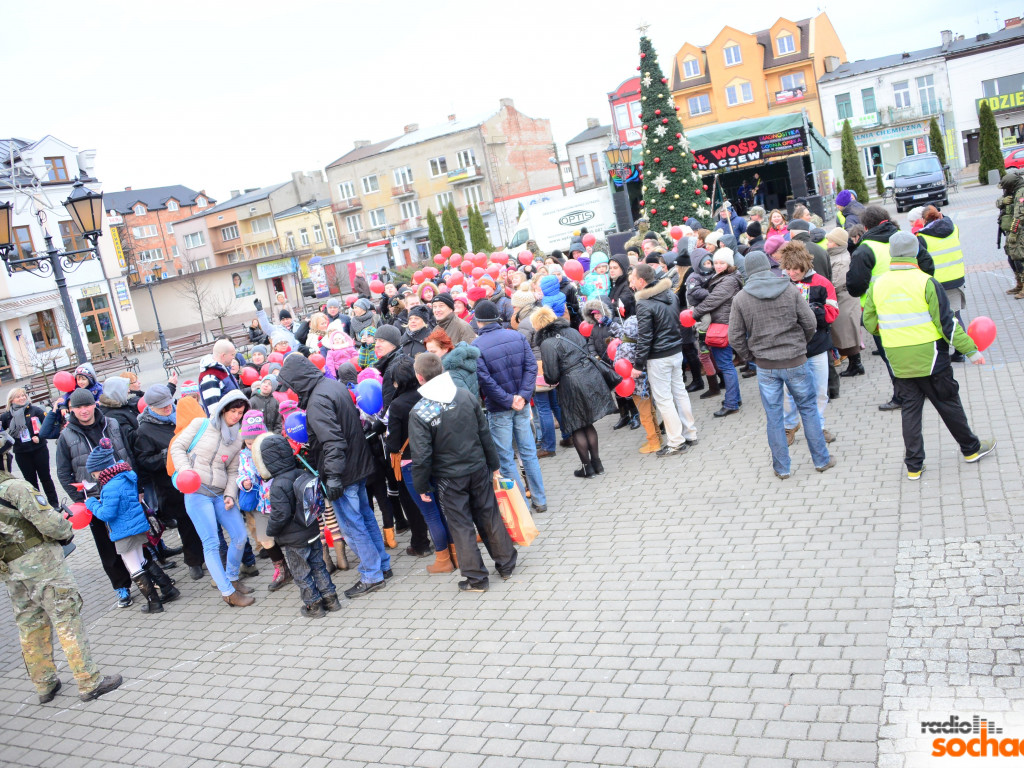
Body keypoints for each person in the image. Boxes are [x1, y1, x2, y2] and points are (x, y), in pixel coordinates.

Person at [862, 231, 995, 479]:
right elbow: (948, 324)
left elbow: (868, 323)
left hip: (898, 359)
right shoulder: (926, 282)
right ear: (915, 253)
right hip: (931, 357)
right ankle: (971, 449)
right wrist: (972, 351)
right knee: (948, 403)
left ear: (892, 253)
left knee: (910, 410)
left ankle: (914, 466)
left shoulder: (877, 284)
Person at [0, 439, 123, 703]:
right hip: (42, 565)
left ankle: (44, 685)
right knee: (66, 618)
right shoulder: (16, 488)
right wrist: (64, 525)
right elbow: (52, 525)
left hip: (11, 571)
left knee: (29, 626)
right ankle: (89, 681)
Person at [278, 354, 392, 599]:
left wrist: (334, 477)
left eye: (291, 384)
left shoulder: (318, 400)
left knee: (353, 526)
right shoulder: (333, 385)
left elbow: (332, 441)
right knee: (366, 517)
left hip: (344, 471)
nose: (290, 390)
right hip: (357, 465)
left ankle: (372, 574)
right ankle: (382, 564)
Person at [408, 353, 517, 592]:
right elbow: (484, 434)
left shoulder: (420, 412)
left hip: (449, 478)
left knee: (461, 526)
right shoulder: (465, 395)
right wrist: (494, 464)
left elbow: (421, 455)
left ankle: (476, 579)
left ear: (419, 377)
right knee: (489, 515)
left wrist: (422, 487)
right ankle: (506, 564)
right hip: (478, 468)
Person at [729, 252, 835, 479]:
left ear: (747, 271)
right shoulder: (789, 289)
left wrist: (752, 357)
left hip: (766, 366)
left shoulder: (741, 298)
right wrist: (800, 346)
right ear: (769, 266)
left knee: (774, 416)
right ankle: (821, 460)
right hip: (796, 360)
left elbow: (735, 337)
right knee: (808, 409)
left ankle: (782, 468)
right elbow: (809, 323)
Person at [169, 390, 254, 607]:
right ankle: (227, 592)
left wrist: (229, 495)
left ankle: (232, 578)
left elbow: (234, 471)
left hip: (219, 494)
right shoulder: (201, 424)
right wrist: (187, 472)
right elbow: (177, 447)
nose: (237, 416)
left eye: (240, 412)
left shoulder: (238, 437)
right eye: (233, 411)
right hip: (196, 492)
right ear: (223, 409)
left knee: (240, 536)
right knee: (212, 543)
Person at [847, 205, 936, 411]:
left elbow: (855, 285)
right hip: (916, 305)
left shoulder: (865, 248)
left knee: (892, 357)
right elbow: (928, 266)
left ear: (866, 226)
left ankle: (902, 396)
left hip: (882, 312)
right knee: (919, 348)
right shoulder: (906, 238)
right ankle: (928, 390)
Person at [55, 388, 134, 607]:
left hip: (121, 491)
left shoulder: (112, 424)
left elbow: (126, 453)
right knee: (106, 546)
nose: (84, 410)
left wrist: (134, 483)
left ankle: (146, 575)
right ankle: (121, 586)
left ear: (94, 405)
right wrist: (80, 498)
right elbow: (63, 472)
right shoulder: (67, 435)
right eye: (78, 407)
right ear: (72, 409)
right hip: (95, 499)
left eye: (87, 405)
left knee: (134, 536)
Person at [85, 438, 180, 614]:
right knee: (143, 560)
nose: (94, 477)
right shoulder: (125, 476)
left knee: (134, 567)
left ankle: (154, 603)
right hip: (136, 526)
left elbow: (106, 514)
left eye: (94, 474)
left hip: (123, 531)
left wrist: (91, 503)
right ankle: (168, 588)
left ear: (101, 469)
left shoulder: (110, 487)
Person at [471, 300, 548, 513]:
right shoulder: (516, 336)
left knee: (506, 457)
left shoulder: (476, 346)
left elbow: (484, 380)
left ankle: (520, 505)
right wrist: (521, 397)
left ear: (478, 321)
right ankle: (540, 500)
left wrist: (508, 399)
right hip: (521, 405)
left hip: (499, 408)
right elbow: (530, 367)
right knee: (528, 452)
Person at [256, 433, 340, 617]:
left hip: (294, 541)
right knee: (318, 566)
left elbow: (280, 515)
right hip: (312, 531)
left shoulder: (278, 485)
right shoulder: (302, 473)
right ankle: (331, 599)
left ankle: (314, 605)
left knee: (302, 573)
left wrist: (271, 531)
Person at [385, 358, 456, 575]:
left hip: (412, 464)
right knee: (446, 510)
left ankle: (443, 559)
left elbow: (394, 443)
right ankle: (458, 554)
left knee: (431, 514)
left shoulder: (397, 405)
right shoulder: (430, 394)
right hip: (437, 458)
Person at [533, 307, 618, 478]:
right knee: (588, 423)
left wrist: (548, 379)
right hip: (589, 377)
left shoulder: (547, 343)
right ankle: (597, 463)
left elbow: (552, 375)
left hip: (570, 384)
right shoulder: (571, 331)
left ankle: (587, 468)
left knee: (576, 425)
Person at [134, 384, 206, 581]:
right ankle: (194, 561)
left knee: (205, 520)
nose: (167, 408)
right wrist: (170, 455)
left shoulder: (180, 416)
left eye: (168, 404)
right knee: (187, 524)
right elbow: (144, 461)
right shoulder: (144, 430)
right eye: (162, 406)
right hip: (172, 485)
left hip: (197, 476)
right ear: (150, 407)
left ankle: (210, 554)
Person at [629, 263, 698, 456]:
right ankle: (690, 433)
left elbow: (645, 337)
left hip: (659, 357)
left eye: (633, 280)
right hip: (676, 351)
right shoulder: (670, 294)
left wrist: (638, 365)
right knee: (680, 392)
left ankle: (676, 441)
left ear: (642, 281)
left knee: (664, 399)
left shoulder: (643, 303)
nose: (632, 284)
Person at [777, 241, 839, 444]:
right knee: (788, 392)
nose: (792, 273)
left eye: (796, 269)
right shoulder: (781, 284)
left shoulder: (822, 283)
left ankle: (818, 426)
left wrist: (811, 310)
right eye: (788, 268)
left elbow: (832, 314)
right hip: (790, 349)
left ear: (805, 266)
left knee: (820, 390)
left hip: (818, 345)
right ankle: (789, 426)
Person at [691, 249, 744, 418]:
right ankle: (735, 398)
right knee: (725, 364)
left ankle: (731, 403)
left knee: (725, 365)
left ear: (729, 263)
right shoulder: (723, 277)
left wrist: (695, 312)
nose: (718, 265)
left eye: (722, 262)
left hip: (723, 326)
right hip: (721, 324)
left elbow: (713, 300)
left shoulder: (728, 280)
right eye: (716, 263)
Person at [917, 206, 968, 362]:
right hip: (957, 278)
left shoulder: (922, 237)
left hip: (937, 282)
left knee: (937, 318)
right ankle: (961, 351)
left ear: (923, 220)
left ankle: (943, 352)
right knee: (956, 316)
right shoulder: (954, 229)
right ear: (939, 215)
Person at [2, 388, 57, 507]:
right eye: (18, 396)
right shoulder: (7, 416)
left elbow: (48, 427)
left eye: (23, 395)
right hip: (22, 453)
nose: (22, 398)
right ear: (11, 400)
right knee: (31, 482)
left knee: (46, 478)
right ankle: (39, 506)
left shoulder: (35, 410)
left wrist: (40, 437)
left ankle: (54, 504)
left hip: (39, 450)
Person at [825, 228, 865, 377]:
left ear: (837, 243)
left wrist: (826, 291)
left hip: (844, 299)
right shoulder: (838, 255)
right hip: (843, 298)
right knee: (846, 332)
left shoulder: (841, 259)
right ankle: (855, 364)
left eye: (829, 241)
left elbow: (837, 282)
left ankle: (856, 364)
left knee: (847, 333)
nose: (827, 244)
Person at [425, 328, 480, 397]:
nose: (430, 356)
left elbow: (463, 400)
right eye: (428, 352)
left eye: (433, 352)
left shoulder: (450, 373)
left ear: (445, 348)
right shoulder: (462, 359)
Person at [998, 170, 1024, 296]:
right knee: (1011, 256)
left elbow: (1019, 215)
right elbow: (998, 202)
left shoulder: (1021, 192)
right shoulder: (1012, 192)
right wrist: (1003, 201)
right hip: (1010, 230)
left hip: (1019, 230)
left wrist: (1014, 233)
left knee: (1019, 257)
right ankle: (1019, 283)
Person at [198, 339, 241, 415]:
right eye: (232, 355)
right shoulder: (209, 378)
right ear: (223, 356)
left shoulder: (223, 369)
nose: (233, 358)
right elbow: (214, 411)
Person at [607, 253, 635, 319]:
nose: (612, 270)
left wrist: (603, 309)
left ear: (623, 268)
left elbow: (620, 304)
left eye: (615, 268)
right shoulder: (613, 283)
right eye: (610, 268)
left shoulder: (628, 284)